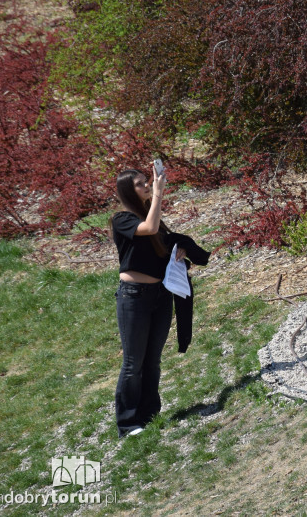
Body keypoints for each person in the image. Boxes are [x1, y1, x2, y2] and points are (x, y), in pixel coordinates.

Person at [110, 165, 208, 437]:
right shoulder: (121, 219)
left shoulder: (150, 216)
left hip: (160, 295)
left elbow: (160, 241)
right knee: (133, 363)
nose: (146, 186)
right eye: (140, 184)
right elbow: (149, 227)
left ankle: (149, 415)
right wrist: (158, 193)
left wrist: (180, 251)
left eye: (146, 181)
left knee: (152, 360)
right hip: (134, 297)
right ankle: (127, 424)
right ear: (128, 191)